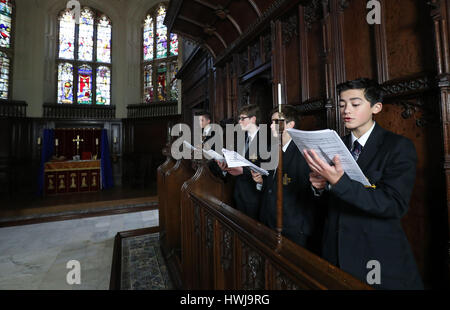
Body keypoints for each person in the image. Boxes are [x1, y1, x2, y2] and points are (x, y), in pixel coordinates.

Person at [303, 78, 423, 290]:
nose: (346, 110)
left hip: (374, 254)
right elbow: (328, 204)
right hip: (334, 249)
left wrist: (339, 182)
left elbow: (394, 205)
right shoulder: (333, 144)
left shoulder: (397, 147)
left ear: (376, 107)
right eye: (342, 104)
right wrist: (319, 188)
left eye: (355, 104)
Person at [251, 105, 317, 249]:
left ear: (290, 125)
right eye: (271, 122)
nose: (271, 126)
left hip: (292, 227)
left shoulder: (304, 153)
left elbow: (308, 194)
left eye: (276, 122)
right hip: (268, 221)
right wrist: (260, 182)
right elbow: (271, 185)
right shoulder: (273, 149)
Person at [216, 104, 267, 220]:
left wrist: (243, 171)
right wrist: (226, 167)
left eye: (242, 118)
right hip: (238, 192)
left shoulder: (267, 138)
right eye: (239, 118)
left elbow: (266, 169)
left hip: (255, 196)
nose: (239, 122)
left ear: (253, 119)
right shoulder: (240, 138)